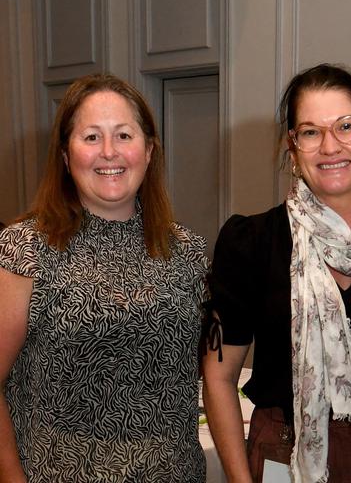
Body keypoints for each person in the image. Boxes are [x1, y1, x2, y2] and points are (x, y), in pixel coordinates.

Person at [202, 63, 351, 483]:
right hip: (285, 451)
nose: (330, 146)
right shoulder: (253, 242)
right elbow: (219, 376)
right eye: (311, 132)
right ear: (292, 147)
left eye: (346, 126)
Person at [0, 74, 209, 482]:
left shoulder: (188, 251)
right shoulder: (23, 249)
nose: (109, 152)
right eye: (91, 137)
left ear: (148, 150)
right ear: (65, 154)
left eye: (124, 135)